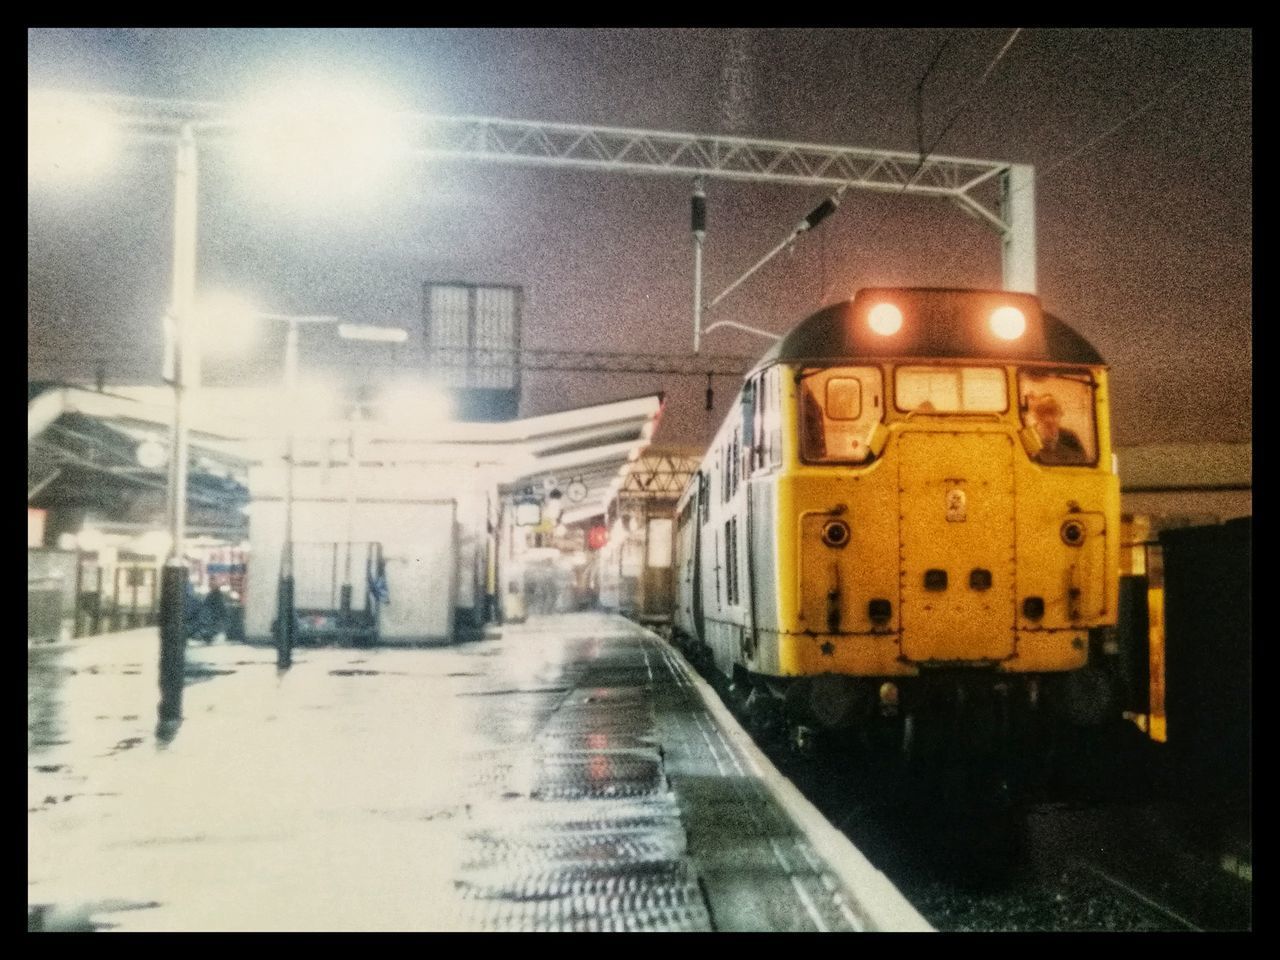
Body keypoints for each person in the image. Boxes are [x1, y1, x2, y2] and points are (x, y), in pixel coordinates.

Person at [1029, 394, 1087, 465]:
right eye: (1043, 413)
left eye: (1053, 413)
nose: (1049, 419)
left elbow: (1083, 463)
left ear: (1060, 415)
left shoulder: (1070, 438)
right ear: (1036, 416)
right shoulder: (1029, 437)